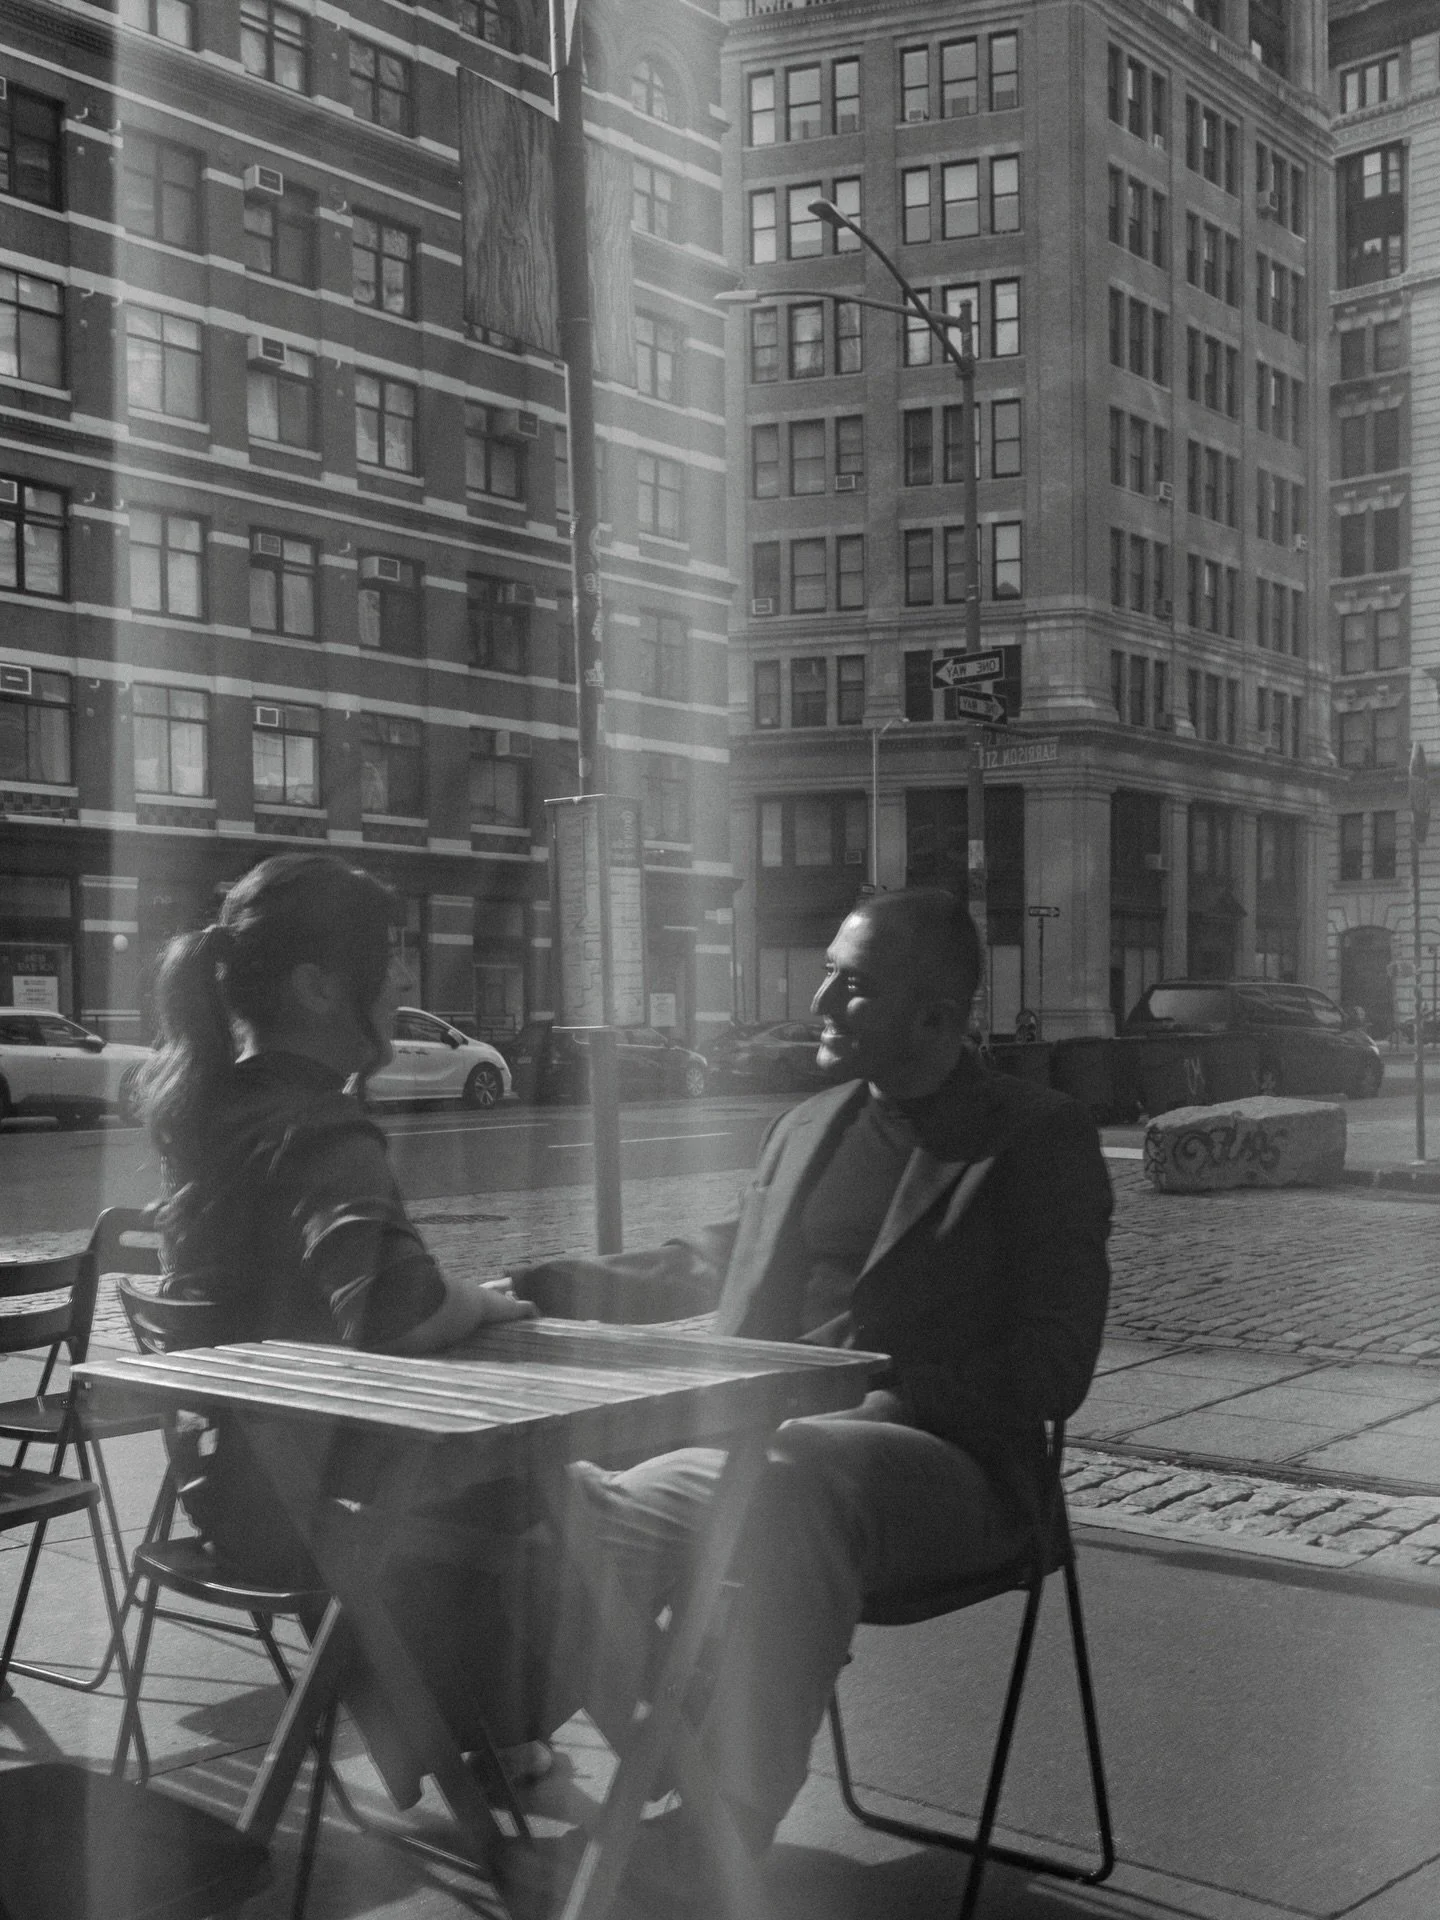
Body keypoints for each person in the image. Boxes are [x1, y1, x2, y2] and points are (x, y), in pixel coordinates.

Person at [513, 888, 1112, 1905]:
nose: (822, 994)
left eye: (855, 981)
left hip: (950, 1465)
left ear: (935, 1017)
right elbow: (707, 1260)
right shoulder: (807, 1125)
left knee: (797, 1475)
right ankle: (657, 1757)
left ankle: (727, 1823)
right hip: (768, 1451)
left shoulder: (1033, 1136)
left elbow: (1055, 1368)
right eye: (830, 969)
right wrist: (533, 1288)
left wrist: (866, 1394)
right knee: (560, 1504)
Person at [139, 851, 554, 1780]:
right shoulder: (319, 1126)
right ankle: (475, 1725)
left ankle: (444, 1719)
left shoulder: (216, 1109)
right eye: (388, 954)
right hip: (310, 1504)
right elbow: (397, 1312)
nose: (404, 975)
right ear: (321, 986)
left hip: (226, 1483)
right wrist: (486, 1300)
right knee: (574, 1489)